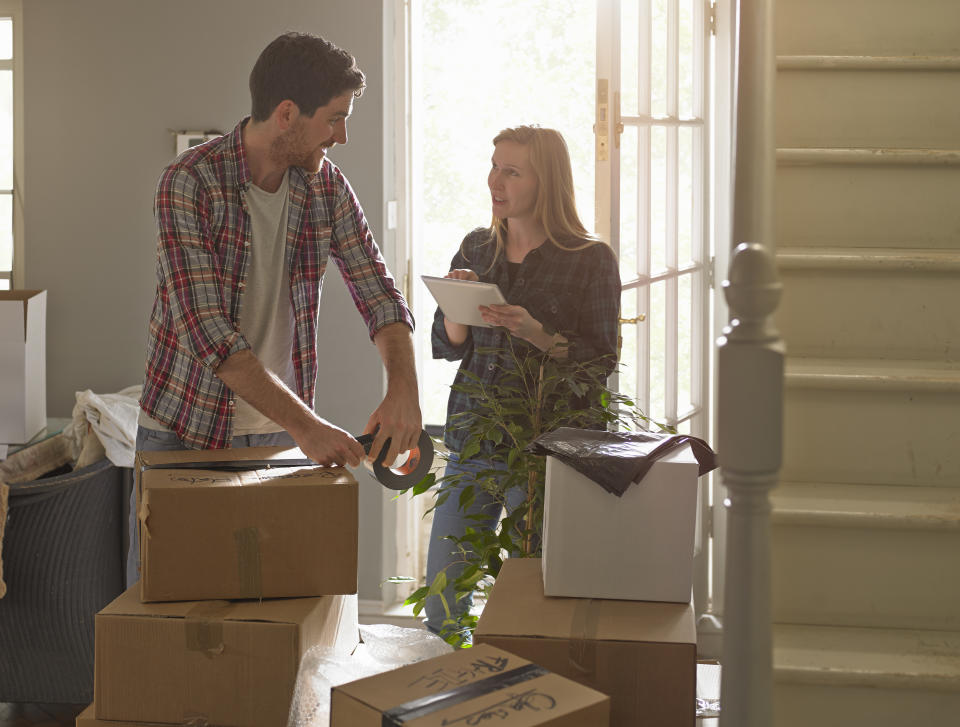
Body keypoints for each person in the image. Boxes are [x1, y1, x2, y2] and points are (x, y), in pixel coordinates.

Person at [131, 33, 421, 581]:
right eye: (334, 119)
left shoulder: (326, 188)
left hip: (279, 435)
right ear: (287, 114)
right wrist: (308, 428)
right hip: (185, 433)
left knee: (270, 601)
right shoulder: (188, 183)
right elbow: (211, 335)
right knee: (164, 611)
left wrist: (402, 390)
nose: (342, 136)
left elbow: (379, 292)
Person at [426, 125, 621, 636]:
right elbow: (449, 345)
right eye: (494, 166)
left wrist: (535, 332)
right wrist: (457, 302)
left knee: (534, 604)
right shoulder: (475, 247)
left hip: (543, 453)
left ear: (546, 182)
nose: (496, 180)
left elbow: (599, 362)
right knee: (444, 604)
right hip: (471, 440)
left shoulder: (590, 259)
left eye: (512, 171)